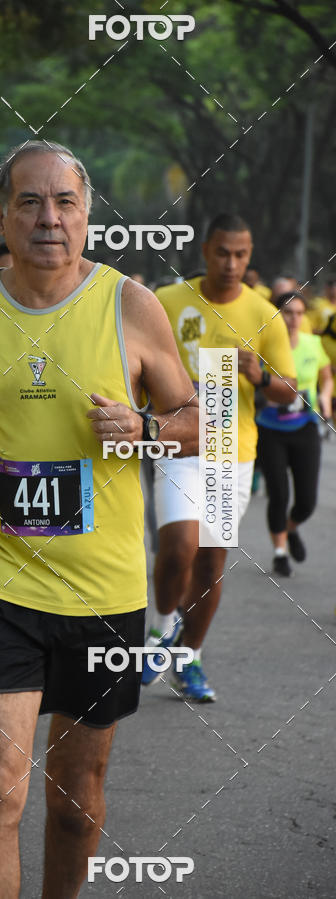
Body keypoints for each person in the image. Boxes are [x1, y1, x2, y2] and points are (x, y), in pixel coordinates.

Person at [0, 140, 198, 897]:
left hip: (102, 595)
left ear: (89, 218)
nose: (47, 218)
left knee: (75, 801)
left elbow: (199, 418)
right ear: (1, 216)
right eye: (29, 202)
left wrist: (146, 431)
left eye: (64, 202)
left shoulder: (130, 305)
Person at [142, 214, 296, 701]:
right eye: (223, 252)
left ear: (249, 257)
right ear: (206, 250)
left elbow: (289, 393)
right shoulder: (167, 302)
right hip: (179, 442)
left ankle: (189, 657)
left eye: (241, 254)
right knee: (177, 547)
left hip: (232, 450)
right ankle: (162, 628)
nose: (231, 263)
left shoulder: (265, 313)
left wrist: (260, 378)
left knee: (209, 564)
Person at [256, 292, 332, 576]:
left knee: (307, 502)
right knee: (278, 494)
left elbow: (326, 377)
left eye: (299, 313)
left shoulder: (313, 344)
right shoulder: (264, 345)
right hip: (270, 428)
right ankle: (279, 552)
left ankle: (291, 529)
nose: (294, 319)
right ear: (276, 315)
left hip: (305, 428)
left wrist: (325, 397)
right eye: (288, 313)